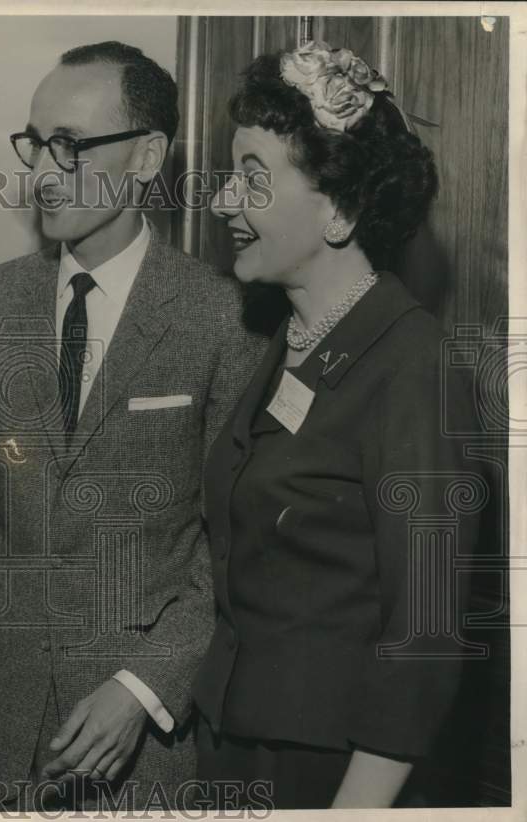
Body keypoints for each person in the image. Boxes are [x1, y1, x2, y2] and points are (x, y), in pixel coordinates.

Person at [0, 41, 264, 810]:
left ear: (146, 155)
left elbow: (230, 547)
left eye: (71, 145)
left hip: (137, 744)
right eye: (36, 144)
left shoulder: (221, 314)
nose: (44, 173)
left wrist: (143, 686)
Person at [193, 41, 483, 809]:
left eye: (253, 178)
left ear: (341, 209)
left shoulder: (414, 365)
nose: (223, 201)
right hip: (236, 752)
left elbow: (425, 633)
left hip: (334, 777)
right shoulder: (286, 341)